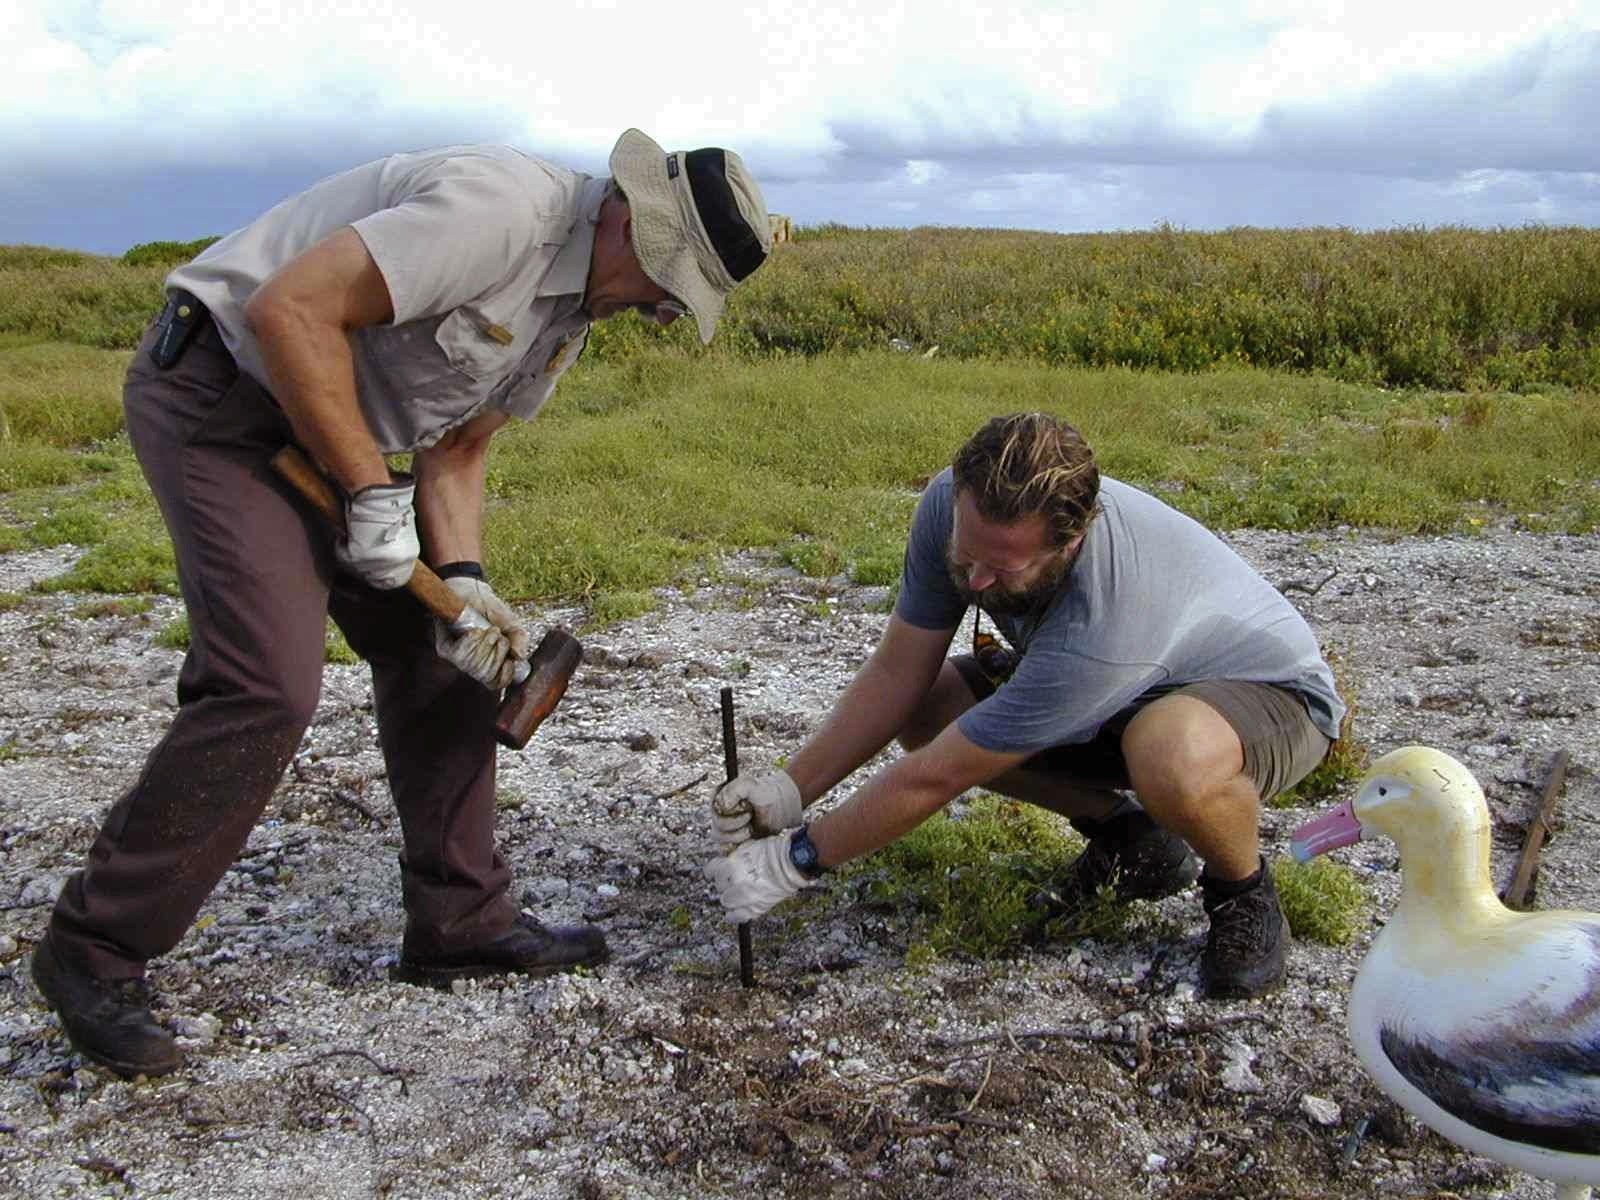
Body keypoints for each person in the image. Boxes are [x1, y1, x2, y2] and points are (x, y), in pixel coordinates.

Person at [32, 129, 772, 1078]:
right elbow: (288, 310)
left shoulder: (573, 313)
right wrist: (368, 494)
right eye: (672, 283)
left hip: (339, 436)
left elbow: (458, 450)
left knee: (447, 659)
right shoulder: (501, 215)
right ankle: (93, 949)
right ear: (631, 221)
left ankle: (460, 923)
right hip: (224, 397)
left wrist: (461, 589)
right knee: (266, 685)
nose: (667, 312)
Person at [706, 412, 1344, 998]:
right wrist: (790, 790)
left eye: (1004, 569)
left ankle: (1243, 892)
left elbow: (943, 774)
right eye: (968, 555)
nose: (977, 581)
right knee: (931, 709)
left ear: (1069, 544)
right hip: (1120, 694)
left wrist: (797, 860)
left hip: (1266, 698)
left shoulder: (1104, 619)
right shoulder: (949, 506)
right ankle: (1132, 839)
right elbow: (901, 670)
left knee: (1167, 753)